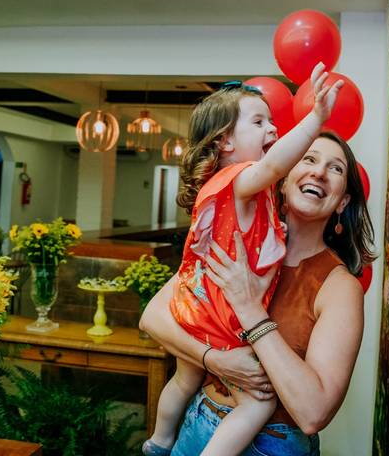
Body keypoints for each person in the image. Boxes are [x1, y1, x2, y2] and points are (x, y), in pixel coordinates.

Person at [142, 64, 344, 456]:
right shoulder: (241, 179)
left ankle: (158, 440)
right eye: (259, 122)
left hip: (197, 304)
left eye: (334, 168)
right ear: (224, 143)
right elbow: (150, 317)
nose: (273, 130)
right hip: (218, 319)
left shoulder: (242, 199)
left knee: (185, 376)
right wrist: (316, 117)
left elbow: (314, 413)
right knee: (259, 401)